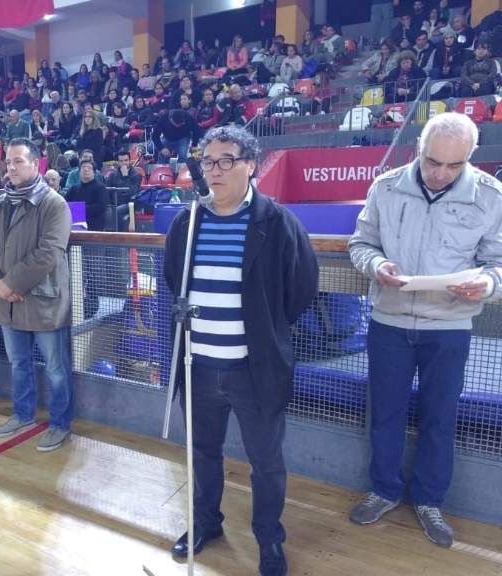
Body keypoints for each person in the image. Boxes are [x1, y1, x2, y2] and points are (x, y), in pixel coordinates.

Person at [163, 125, 318, 576]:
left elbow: (301, 288)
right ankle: (206, 522)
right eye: (209, 162)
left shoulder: (277, 223)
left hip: (254, 370)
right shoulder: (187, 221)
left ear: (251, 165)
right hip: (197, 365)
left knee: (266, 462)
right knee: (203, 453)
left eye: (227, 160)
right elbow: (175, 278)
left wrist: (264, 327)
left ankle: (269, 539)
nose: (216, 170)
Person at [348, 112, 502, 548]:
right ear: (418, 148)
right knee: (385, 414)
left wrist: (488, 284)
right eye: (433, 161)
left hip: (450, 327)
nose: (440, 173)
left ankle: (430, 500)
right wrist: (377, 265)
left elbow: (498, 262)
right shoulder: (386, 186)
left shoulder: (491, 197)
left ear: (471, 157)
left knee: (440, 417)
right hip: (389, 322)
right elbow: (361, 244)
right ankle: (384, 490)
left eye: (454, 165)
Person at [0, 138, 74, 451]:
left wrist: (11, 285)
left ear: (35, 164)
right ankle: (23, 415)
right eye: (8, 161)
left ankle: (59, 424)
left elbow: (49, 253)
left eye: (19, 161)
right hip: (7, 301)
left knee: (56, 369)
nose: (12, 167)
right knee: (18, 363)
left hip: (44, 301)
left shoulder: (54, 204)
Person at [105, 149, 141, 231]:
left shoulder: (136, 175)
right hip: (114, 203)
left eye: (126, 160)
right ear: (118, 162)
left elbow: (132, 193)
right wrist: (108, 205)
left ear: (130, 161)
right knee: (106, 209)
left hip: (130, 203)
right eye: (121, 161)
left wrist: (125, 177)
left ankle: (118, 234)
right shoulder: (112, 175)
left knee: (118, 210)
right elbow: (107, 191)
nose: (124, 163)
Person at [68, 159, 108, 231]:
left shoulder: (100, 188)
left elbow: (101, 206)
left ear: (94, 172)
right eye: (83, 167)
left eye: (89, 168)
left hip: (94, 224)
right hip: (74, 224)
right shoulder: (73, 188)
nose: (86, 170)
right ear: (79, 172)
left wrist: (79, 209)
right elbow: (65, 203)